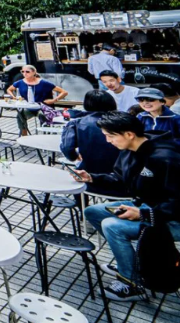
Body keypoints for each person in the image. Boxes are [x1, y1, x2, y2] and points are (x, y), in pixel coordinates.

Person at [76, 112, 180, 301]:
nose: (108, 141)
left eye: (110, 136)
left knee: (112, 226)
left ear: (129, 134)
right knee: (92, 212)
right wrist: (92, 178)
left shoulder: (166, 157)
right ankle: (131, 264)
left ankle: (131, 283)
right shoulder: (129, 149)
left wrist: (144, 214)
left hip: (172, 218)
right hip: (145, 205)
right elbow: (120, 179)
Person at [60, 90, 120, 192]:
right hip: (120, 177)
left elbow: (67, 148)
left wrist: (74, 156)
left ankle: (80, 202)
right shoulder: (124, 121)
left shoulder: (77, 123)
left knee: (77, 182)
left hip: (87, 175)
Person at [6, 65, 68, 136]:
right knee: (20, 115)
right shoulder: (20, 82)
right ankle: (24, 136)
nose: (24, 73)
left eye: (27, 72)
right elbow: (9, 89)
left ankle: (45, 135)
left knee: (42, 115)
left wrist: (54, 100)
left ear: (34, 72)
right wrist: (14, 97)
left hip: (42, 107)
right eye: (22, 71)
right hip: (29, 107)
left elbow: (64, 92)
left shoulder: (43, 83)